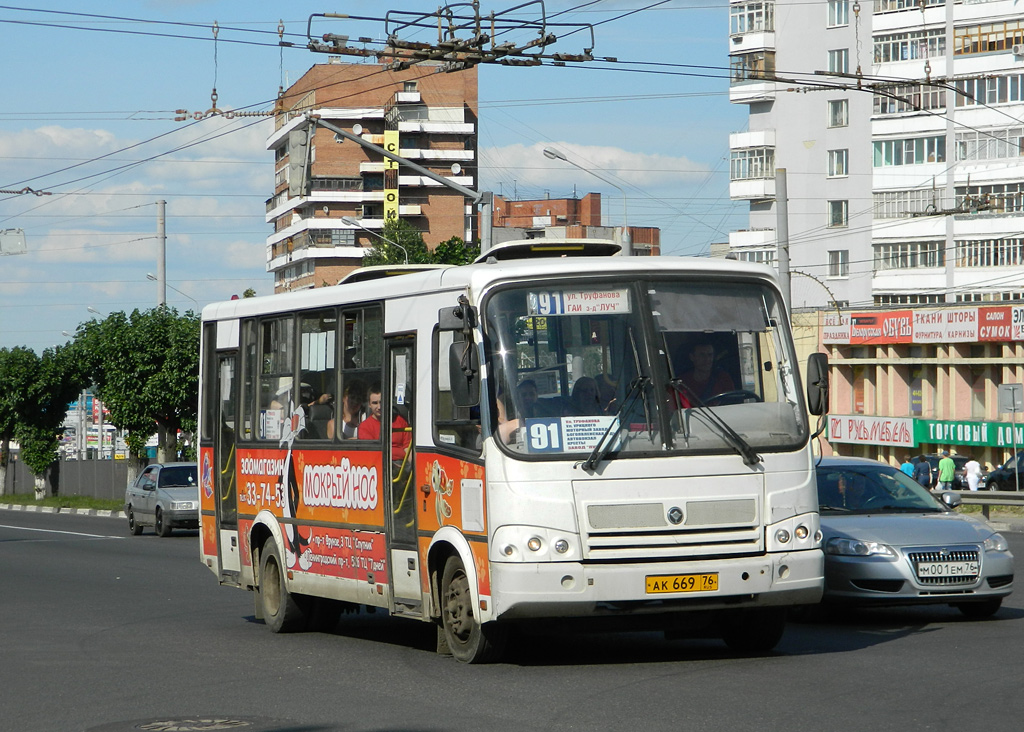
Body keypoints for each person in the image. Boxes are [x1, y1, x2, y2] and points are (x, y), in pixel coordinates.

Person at [357, 383, 410, 461]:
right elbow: (372, 455)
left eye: (382, 402)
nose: (379, 407)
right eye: (375, 403)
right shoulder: (364, 427)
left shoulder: (400, 421)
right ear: (369, 404)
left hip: (404, 466)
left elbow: (408, 449)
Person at [676, 337, 735, 403]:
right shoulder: (681, 382)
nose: (707, 359)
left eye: (710, 355)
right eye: (702, 355)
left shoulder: (723, 378)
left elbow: (732, 403)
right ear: (692, 357)